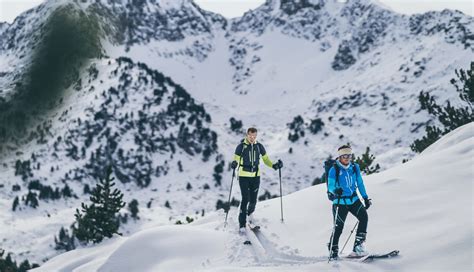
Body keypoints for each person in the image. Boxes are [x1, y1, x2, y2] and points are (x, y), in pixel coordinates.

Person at [231, 127, 282, 233]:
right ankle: (242, 224)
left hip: (255, 176)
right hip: (243, 176)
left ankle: (249, 214)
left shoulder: (259, 146)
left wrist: (274, 165)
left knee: (253, 200)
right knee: (245, 199)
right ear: (247, 135)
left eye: (254, 136)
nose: (252, 138)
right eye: (250, 136)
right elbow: (235, 158)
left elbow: (266, 159)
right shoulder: (241, 147)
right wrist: (234, 163)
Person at [327, 145, 372, 259]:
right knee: (339, 227)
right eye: (344, 156)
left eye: (349, 155)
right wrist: (335, 190)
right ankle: (333, 249)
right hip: (340, 202)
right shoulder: (334, 170)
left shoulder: (354, 167)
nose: (347, 158)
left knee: (364, 217)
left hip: (354, 200)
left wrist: (365, 197)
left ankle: (358, 247)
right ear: (340, 157)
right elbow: (330, 186)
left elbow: (360, 183)